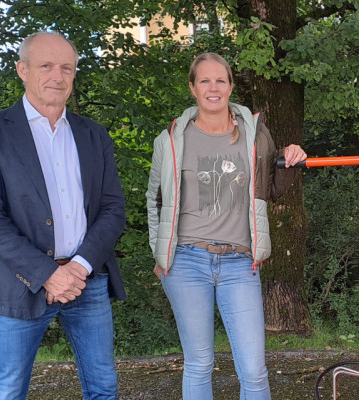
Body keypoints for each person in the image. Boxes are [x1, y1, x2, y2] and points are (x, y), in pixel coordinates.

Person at [0, 31, 126, 400]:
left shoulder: (94, 135)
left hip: (88, 280)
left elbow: (113, 209)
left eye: (67, 68)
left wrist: (79, 267)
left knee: (103, 387)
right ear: (22, 69)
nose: (58, 76)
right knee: (7, 390)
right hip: (22, 282)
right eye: (46, 66)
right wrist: (49, 275)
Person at [145, 52, 306, 400]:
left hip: (239, 263)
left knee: (253, 369)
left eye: (221, 80)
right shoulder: (171, 138)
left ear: (231, 86)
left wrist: (292, 161)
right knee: (199, 364)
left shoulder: (256, 135)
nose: (213, 87)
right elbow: (154, 200)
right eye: (204, 80)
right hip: (186, 261)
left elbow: (272, 190)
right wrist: (161, 258)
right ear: (192, 88)